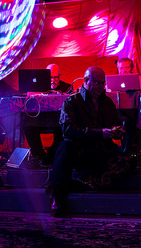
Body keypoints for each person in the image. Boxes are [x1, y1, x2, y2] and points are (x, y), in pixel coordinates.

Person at [48, 66, 124, 217]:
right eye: (96, 83)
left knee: (130, 160)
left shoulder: (108, 103)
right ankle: (58, 195)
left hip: (101, 151)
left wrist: (117, 130)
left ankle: (83, 183)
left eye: (102, 83)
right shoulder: (72, 101)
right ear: (86, 81)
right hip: (80, 152)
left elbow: (114, 125)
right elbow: (68, 131)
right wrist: (99, 133)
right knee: (65, 145)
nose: (100, 87)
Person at [23, 63, 71, 165]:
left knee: (65, 126)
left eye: (55, 77)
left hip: (58, 119)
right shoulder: (37, 86)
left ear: (60, 76)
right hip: (41, 119)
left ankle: (53, 155)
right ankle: (39, 156)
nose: (53, 80)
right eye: (50, 77)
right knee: (27, 125)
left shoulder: (67, 87)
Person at [115, 57, 141, 152]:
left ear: (132, 68)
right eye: (121, 68)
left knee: (129, 123)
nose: (124, 70)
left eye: (127, 67)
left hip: (136, 114)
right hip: (117, 113)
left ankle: (126, 151)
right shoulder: (113, 82)